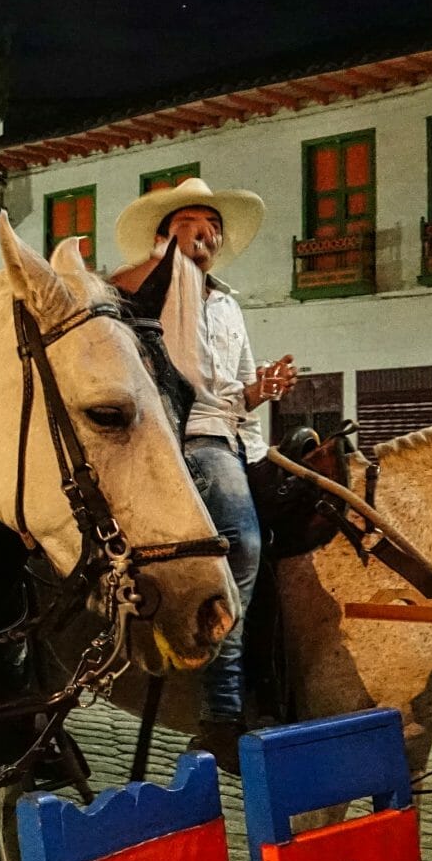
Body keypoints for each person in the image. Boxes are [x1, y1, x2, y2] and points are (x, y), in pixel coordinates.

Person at [110, 179, 295, 762]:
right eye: (189, 224)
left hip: (240, 437)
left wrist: (261, 388)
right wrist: (169, 259)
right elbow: (111, 287)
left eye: (211, 226)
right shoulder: (151, 290)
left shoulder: (229, 304)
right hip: (189, 439)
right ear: (163, 237)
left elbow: (236, 389)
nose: (205, 234)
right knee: (242, 542)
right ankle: (220, 710)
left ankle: (283, 679)